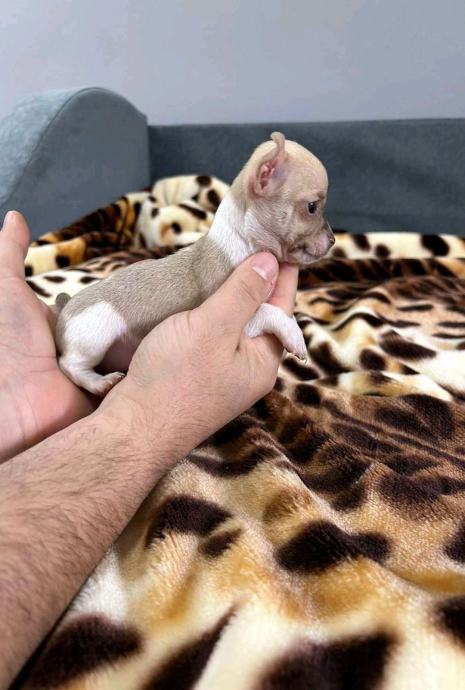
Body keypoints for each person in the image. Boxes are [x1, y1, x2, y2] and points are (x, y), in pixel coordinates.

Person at [0, 211, 299, 688]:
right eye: (310, 209)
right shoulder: (219, 259)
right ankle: (78, 368)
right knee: (91, 334)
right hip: (85, 330)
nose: (322, 234)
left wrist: (17, 409)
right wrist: (143, 419)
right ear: (264, 181)